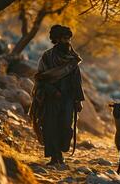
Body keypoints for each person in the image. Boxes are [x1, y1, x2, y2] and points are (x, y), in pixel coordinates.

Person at [29, 25, 84, 165]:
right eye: (65, 38)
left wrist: (78, 100)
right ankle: (55, 157)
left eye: (69, 38)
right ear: (57, 39)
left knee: (66, 126)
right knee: (50, 126)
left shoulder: (73, 58)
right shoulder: (47, 57)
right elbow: (40, 78)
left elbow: (77, 80)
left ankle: (61, 152)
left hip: (68, 98)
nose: (68, 41)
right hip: (51, 98)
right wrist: (53, 91)